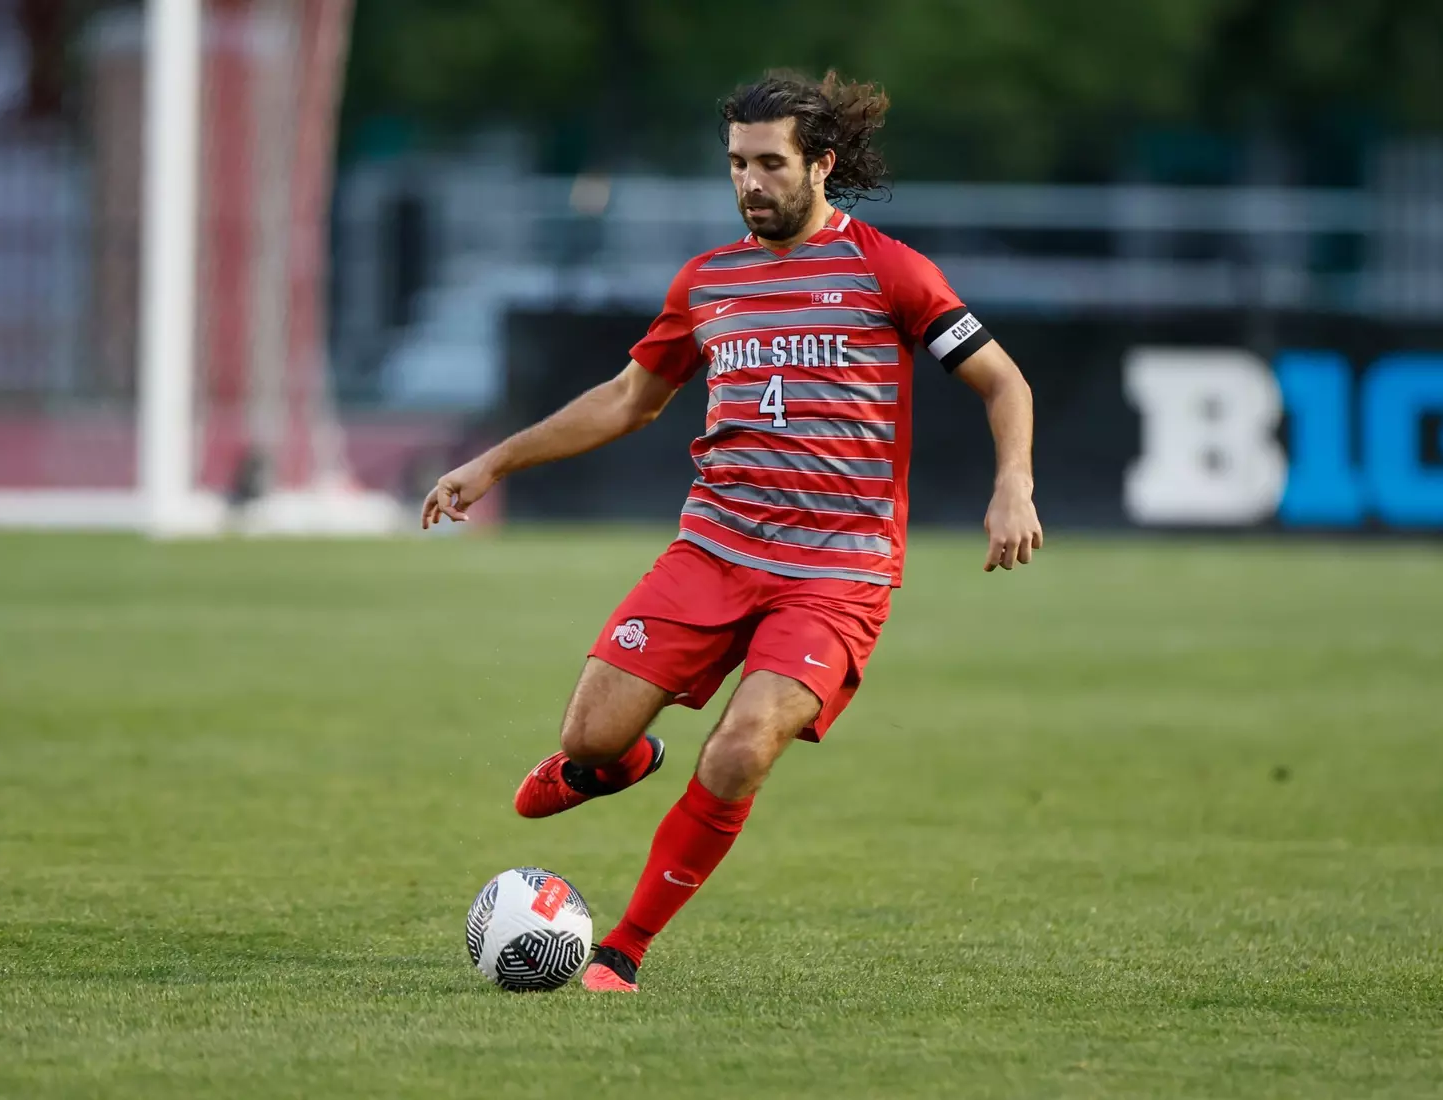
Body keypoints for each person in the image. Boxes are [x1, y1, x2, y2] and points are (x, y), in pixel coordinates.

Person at [422, 70, 1042, 992]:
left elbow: (1004, 381)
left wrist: (1014, 484)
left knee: (744, 746)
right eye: (736, 165)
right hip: (713, 551)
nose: (750, 184)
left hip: (834, 576)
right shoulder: (708, 282)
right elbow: (630, 401)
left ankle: (623, 950)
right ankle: (614, 762)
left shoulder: (889, 271)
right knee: (587, 736)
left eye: (770, 164)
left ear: (821, 164)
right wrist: (496, 461)